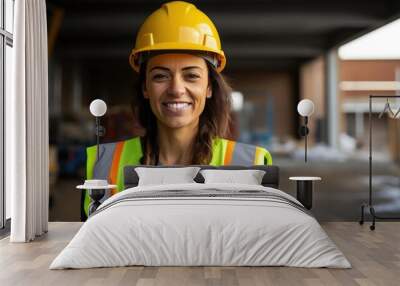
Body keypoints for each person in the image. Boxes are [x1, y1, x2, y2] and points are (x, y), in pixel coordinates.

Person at [82, 1, 272, 219]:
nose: (176, 89)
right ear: (145, 87)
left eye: (191, 75)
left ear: (209, 87)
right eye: (160, 76)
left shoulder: (250, 162)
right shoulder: (104, 163)